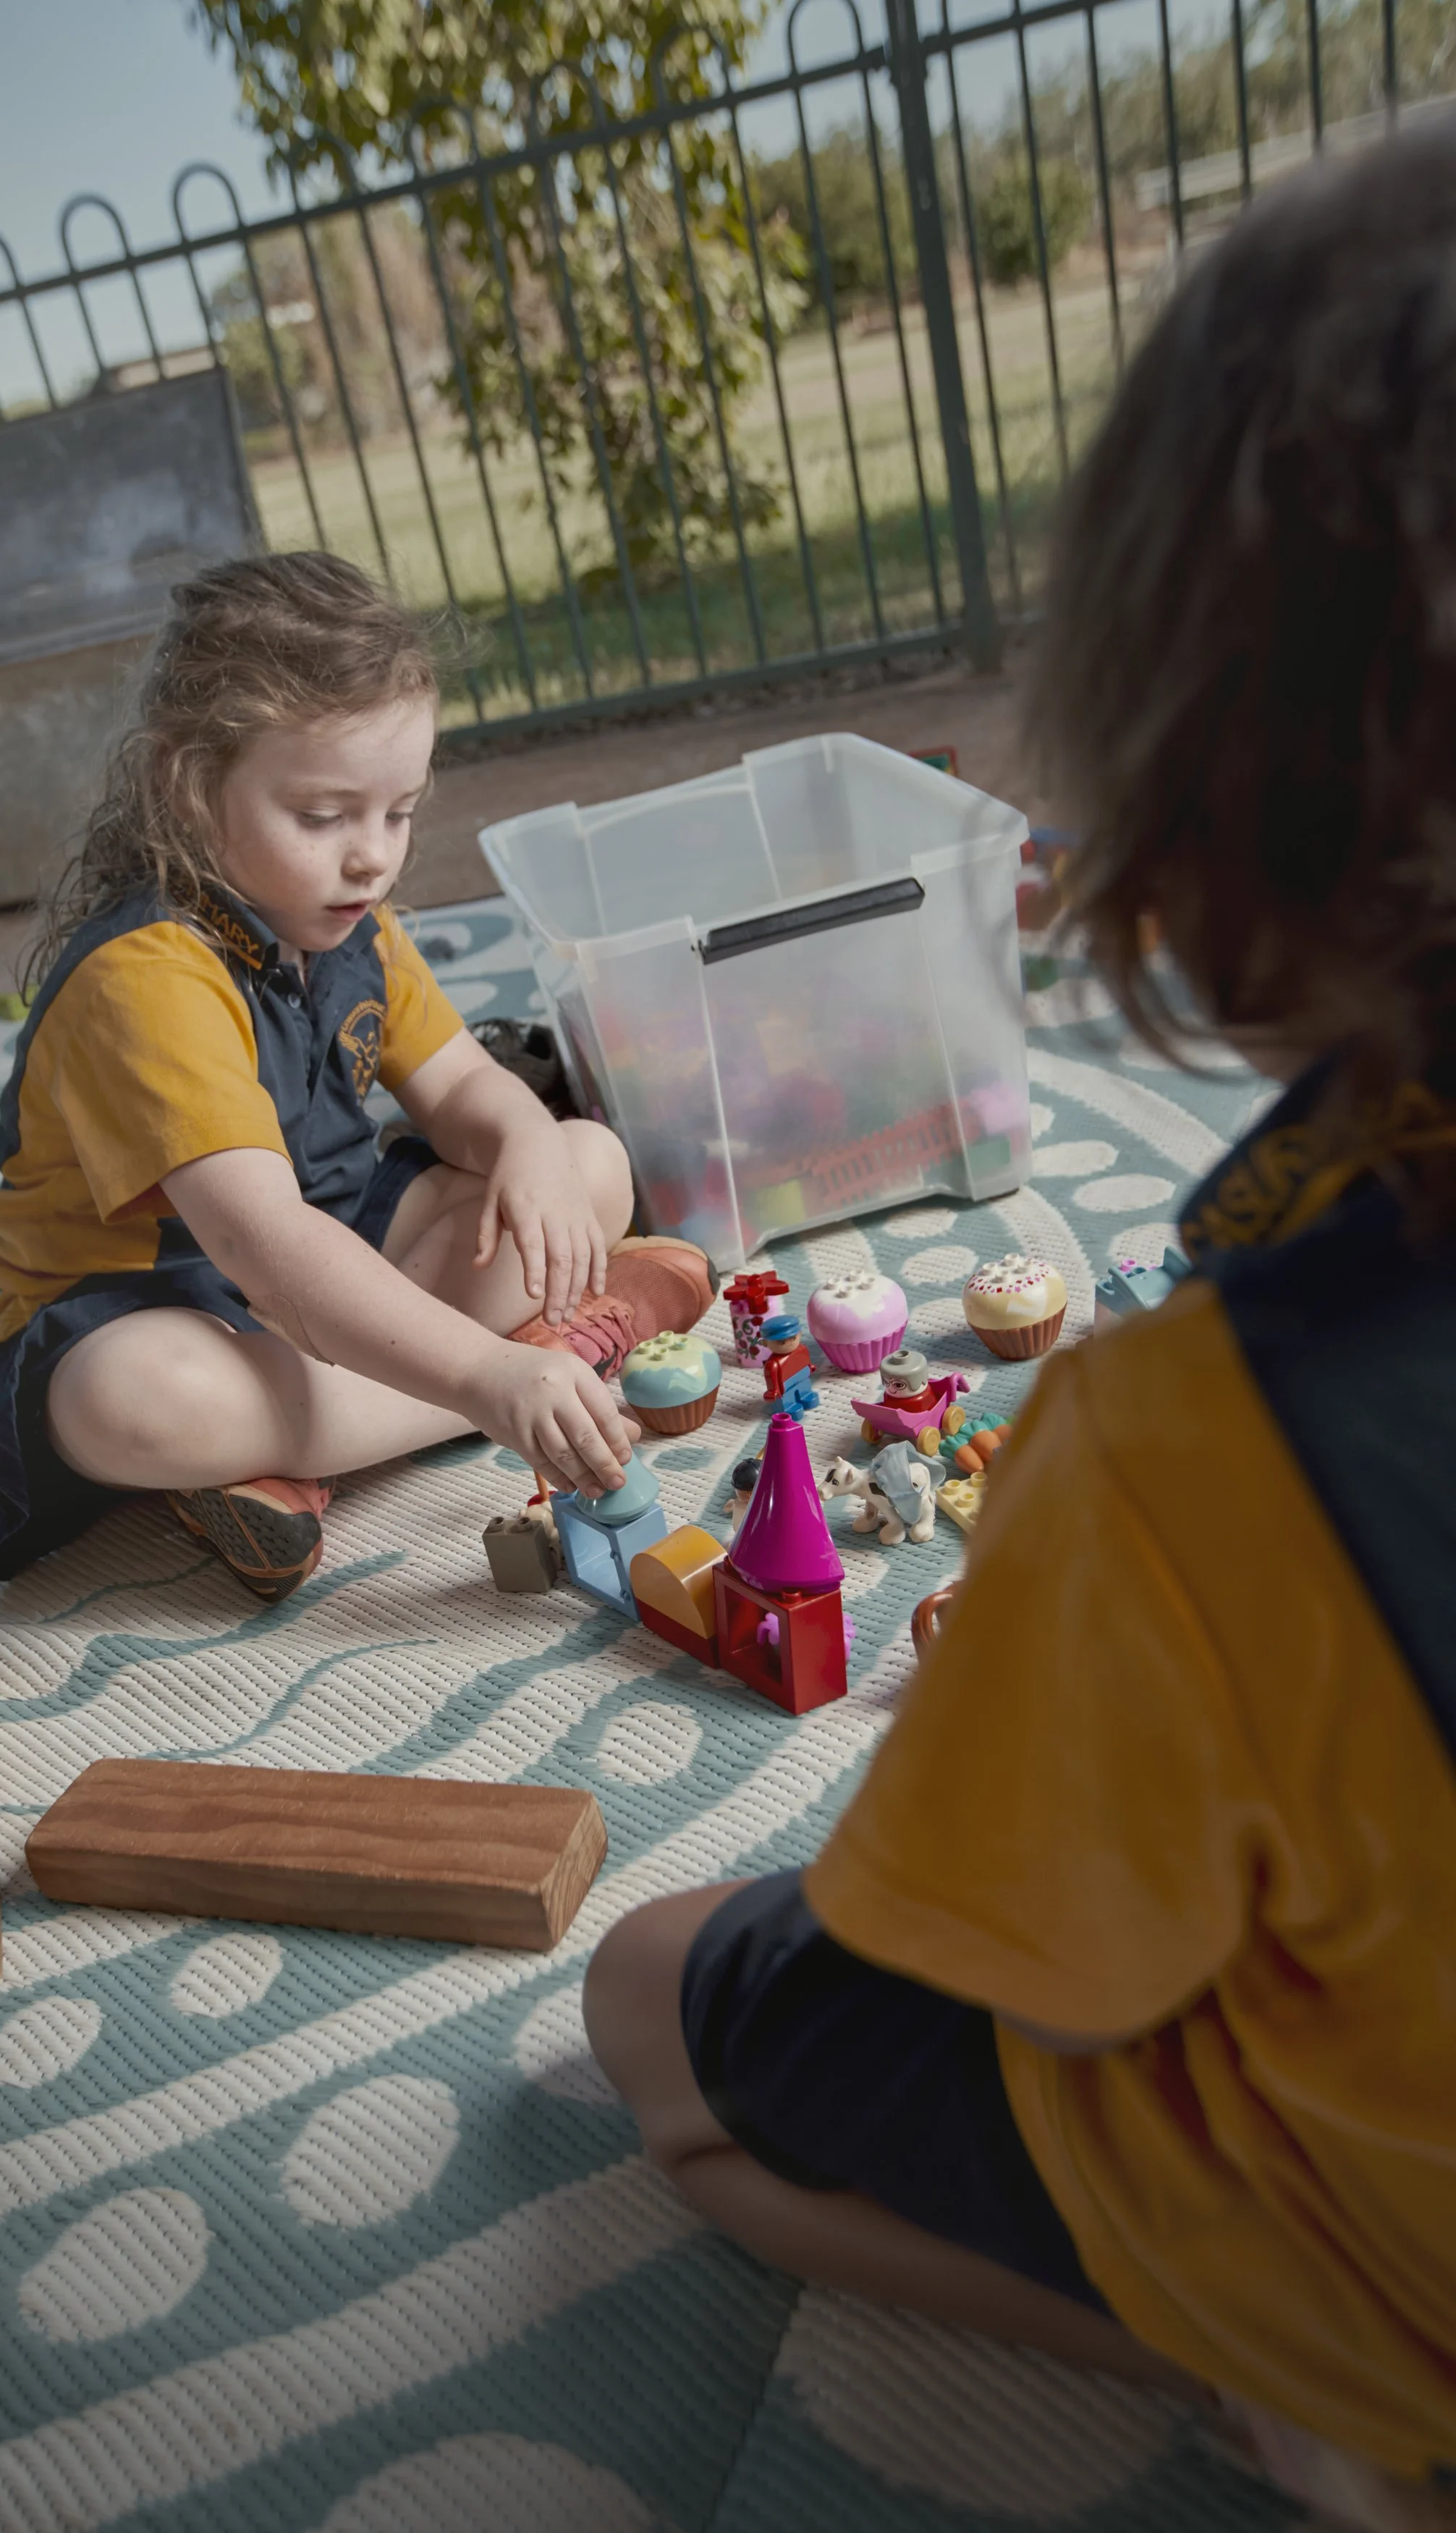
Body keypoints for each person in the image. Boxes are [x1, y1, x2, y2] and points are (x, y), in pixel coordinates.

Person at [584, 123, 1456, 2519]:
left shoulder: (1198, 1449)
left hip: (1414, 2280)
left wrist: (1008, 1686)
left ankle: (1303, 2399)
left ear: (1200, 825)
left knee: (652, 1991)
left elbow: (1007, 1957)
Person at [0, 553, 712, 1601]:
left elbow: (459, 1091)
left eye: (399, 812)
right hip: (152, 1299)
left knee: (587, 1164)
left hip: (339, 1239)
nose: (372, 859)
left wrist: (526, 1143)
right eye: (323, 817)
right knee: (129, 1401)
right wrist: (489, 1381)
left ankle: (302, 1451)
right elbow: (268, 1252)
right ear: (188, 785)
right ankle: (537, 1364)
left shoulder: (353, 923)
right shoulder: (144, 976)